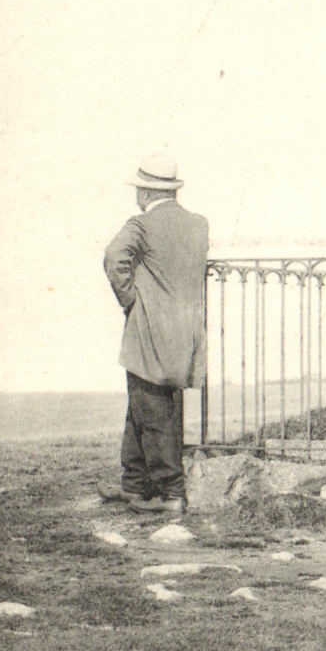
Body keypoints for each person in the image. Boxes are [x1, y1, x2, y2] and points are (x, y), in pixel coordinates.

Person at [102, 154, 209, 514]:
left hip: (149, 332)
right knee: (143, 405)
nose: (136, 196)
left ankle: (171, 494)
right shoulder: (198, 224)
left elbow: (114, 257)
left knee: (154, 411)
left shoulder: (141, 225)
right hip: (186, 332)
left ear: (147, 193)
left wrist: (130, 300)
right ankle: (133, 484)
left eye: (138, 190)